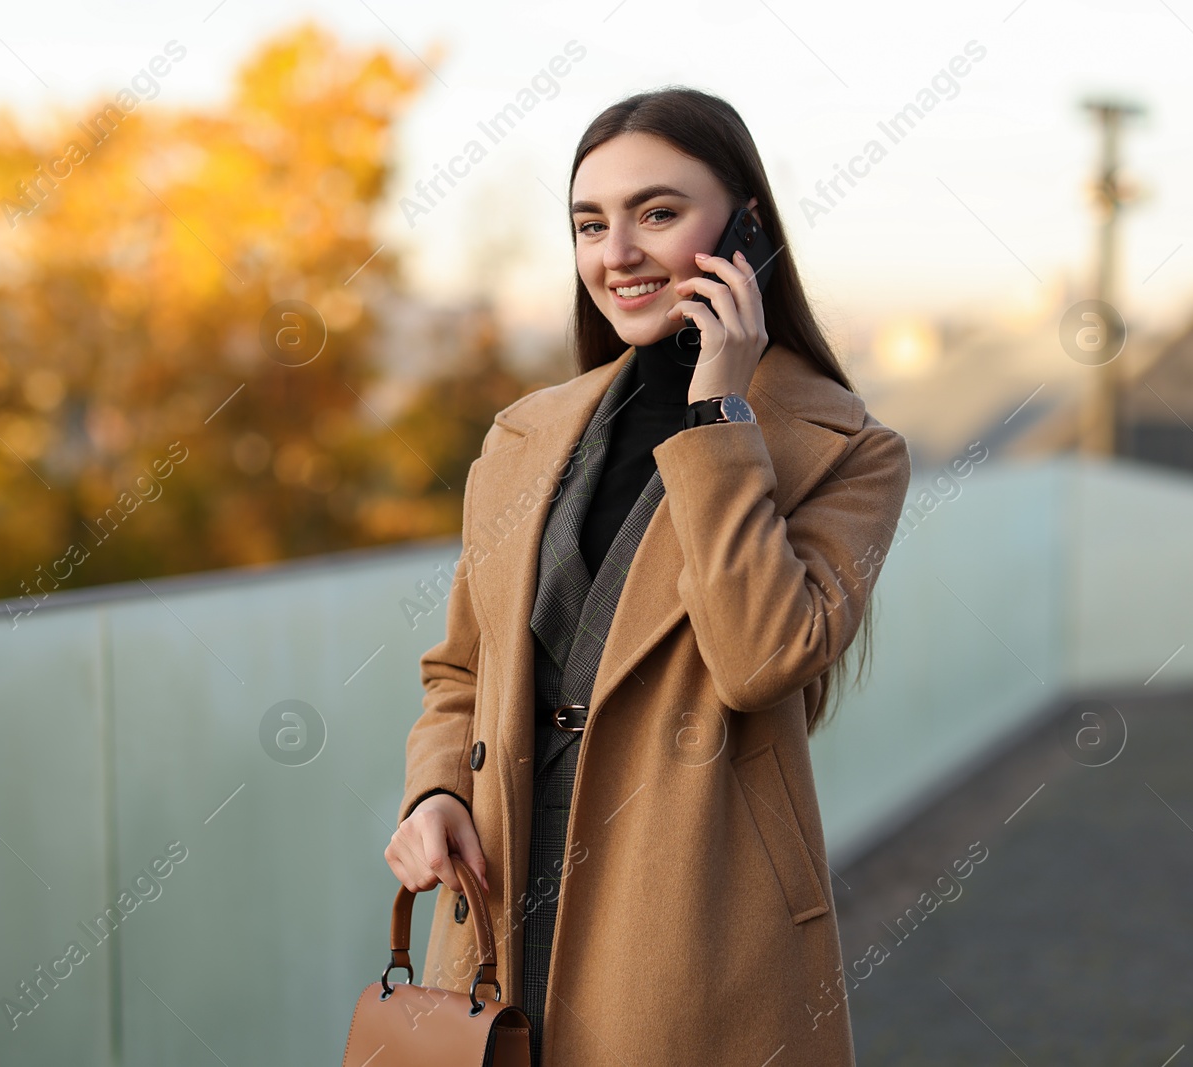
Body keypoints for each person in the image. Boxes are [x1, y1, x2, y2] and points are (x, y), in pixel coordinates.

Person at [384, 86, 912, 1066]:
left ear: (746, 227)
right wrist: (431, 795)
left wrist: (718, 416)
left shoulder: (848, 449)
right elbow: (458, 670)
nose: (615, 253)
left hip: (690, 949)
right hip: (495, 922)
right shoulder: (523, 436)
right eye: (590, 223)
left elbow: (760, 658)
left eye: (656, 213)